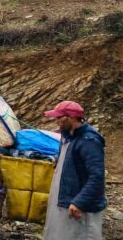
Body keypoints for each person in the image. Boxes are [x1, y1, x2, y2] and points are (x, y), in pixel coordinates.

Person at [43, 100, 106, 240]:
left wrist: (80, 202)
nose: (56, 121)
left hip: (80, 208)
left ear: (71, 117)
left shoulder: (89, 141)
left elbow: (97, 177)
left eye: (59, 117)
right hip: (65, 203)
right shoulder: (67, 137)